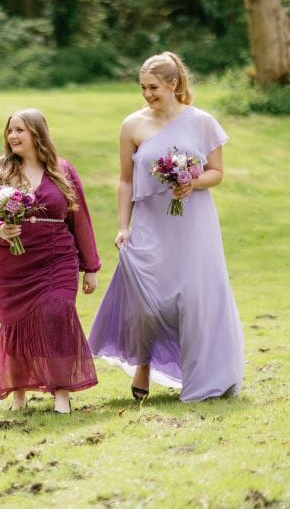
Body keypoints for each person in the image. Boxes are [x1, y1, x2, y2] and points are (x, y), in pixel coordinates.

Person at [88, 52, 244, 402]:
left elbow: (217, 173)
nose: (147, 94)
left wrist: (192, 181)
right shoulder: (132, 125)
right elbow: (126, 181)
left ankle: (202, 375)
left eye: (154, 87)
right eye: (142, 87)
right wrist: (123, 226)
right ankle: (143, 362)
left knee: (193, 298)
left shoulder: (202, 122)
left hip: (193, 224)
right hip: (149, 222)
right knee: (146, 299)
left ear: (174, 84)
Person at [0, 108, 101, 414]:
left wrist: (90, 266)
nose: (13, 136)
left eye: (20, 130)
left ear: (36, 133)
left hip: (56, 256)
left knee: (57, 313)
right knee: (14, 325)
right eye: (10, 131)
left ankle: (61, 392)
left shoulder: (62, 170)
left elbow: (80, 218)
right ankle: (18, 394)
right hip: (10, 264)